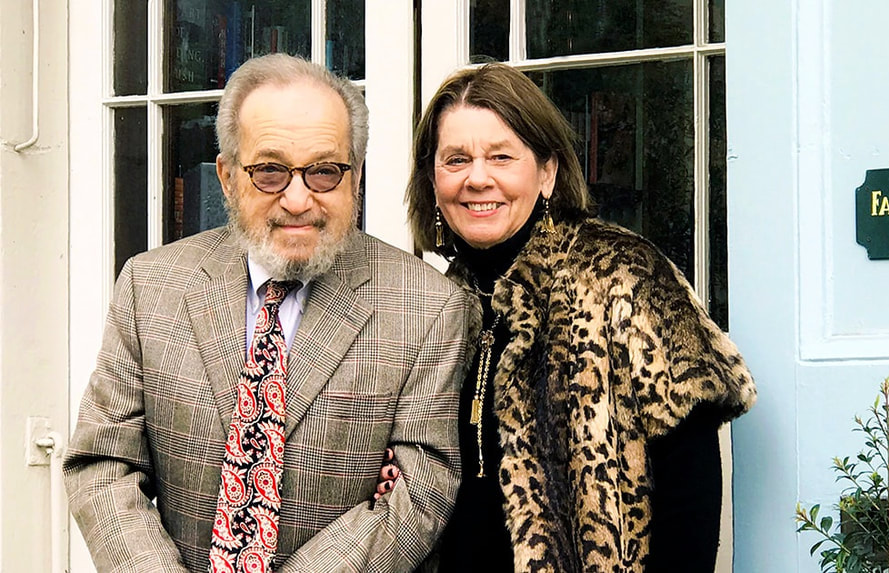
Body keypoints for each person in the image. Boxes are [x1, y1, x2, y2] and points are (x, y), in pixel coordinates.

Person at [64, 53, 473, 573]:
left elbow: (421, 490)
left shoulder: (428, 305)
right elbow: (103, 462)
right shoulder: (151, 287)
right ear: (227, 177)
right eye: (270, 172)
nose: (298, 200)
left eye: (324, 172)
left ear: (355, 177)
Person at [399, 63, 758, 572]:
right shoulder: (431, 303)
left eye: (501, 156)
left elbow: (690, 490)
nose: (477, 178)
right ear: (432, 179)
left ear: (546, 173)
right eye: (456, 159)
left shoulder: (623, 276)